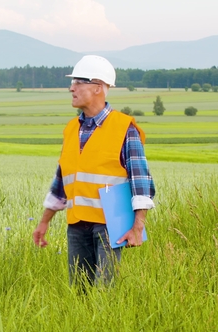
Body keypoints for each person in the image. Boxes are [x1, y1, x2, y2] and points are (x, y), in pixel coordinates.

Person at [32, 55, 155, 286]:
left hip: (110, 225)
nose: (72, 88)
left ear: (98, 87)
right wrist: (44, 222)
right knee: (78, 292)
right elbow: (61, 182)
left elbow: (141, 180)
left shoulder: (123, 128)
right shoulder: (71, 129)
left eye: (79, 82)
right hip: (77, 224)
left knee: (104, 293)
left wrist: (138, 226)